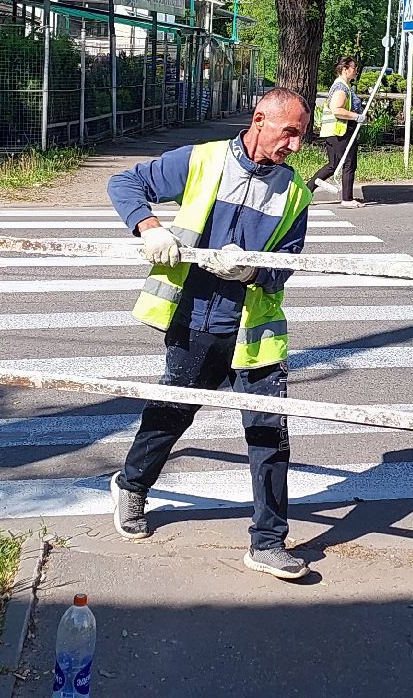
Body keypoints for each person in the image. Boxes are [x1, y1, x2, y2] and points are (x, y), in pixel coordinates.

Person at [105, 88, 315, 580]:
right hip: (194, 320)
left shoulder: (296, 192)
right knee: (170, 414)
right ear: (259, 119)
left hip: (253, 333)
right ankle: (131, 486)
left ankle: (267, 543)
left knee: (269, 434)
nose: (295, 146)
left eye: (300, 136)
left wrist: (252, 272)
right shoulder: (202, 161)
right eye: (289, 132)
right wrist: (149, 228)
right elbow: (124, 182)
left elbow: (286, 267)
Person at [311, 56, 365, 208]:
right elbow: (337, 109)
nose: (356, 71)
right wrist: (357, 116)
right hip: (340, 132)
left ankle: (306, 191)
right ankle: (347, 199)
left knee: (333, 165)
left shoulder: (343, 85)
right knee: (349, 164)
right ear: (345, 69)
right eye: (354, 68)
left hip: (335, 132)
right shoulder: (341, 88)